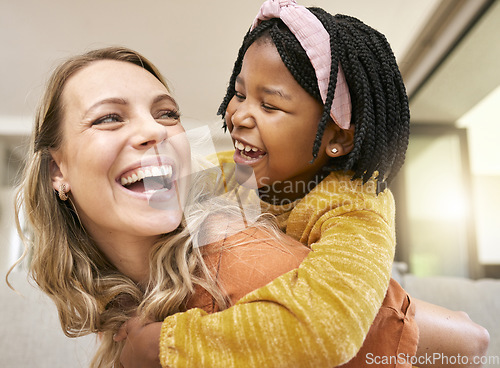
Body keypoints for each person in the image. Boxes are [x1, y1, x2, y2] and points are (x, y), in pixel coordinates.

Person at [117, 1, 488, 368]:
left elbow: (328, 331)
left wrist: (167, 346)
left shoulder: (355, 206)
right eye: (241, 93)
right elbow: (155, 201)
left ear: (337, 136)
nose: (239, 115)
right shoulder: (236, 172)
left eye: (270, 106)